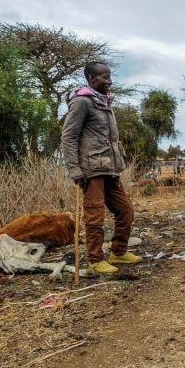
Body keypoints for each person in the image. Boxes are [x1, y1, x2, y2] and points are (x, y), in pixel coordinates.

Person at [61, 61, 143, 276]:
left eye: (110, 77)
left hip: (110, 169)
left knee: (125, 210)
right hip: (92, 170)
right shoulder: (81, 102)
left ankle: (118, 252)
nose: (110, 81)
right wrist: (74, 169)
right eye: (105, 78)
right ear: (92, 79)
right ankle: (95, 260)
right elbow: (69, 137)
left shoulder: (104, 102)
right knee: (95, 217)